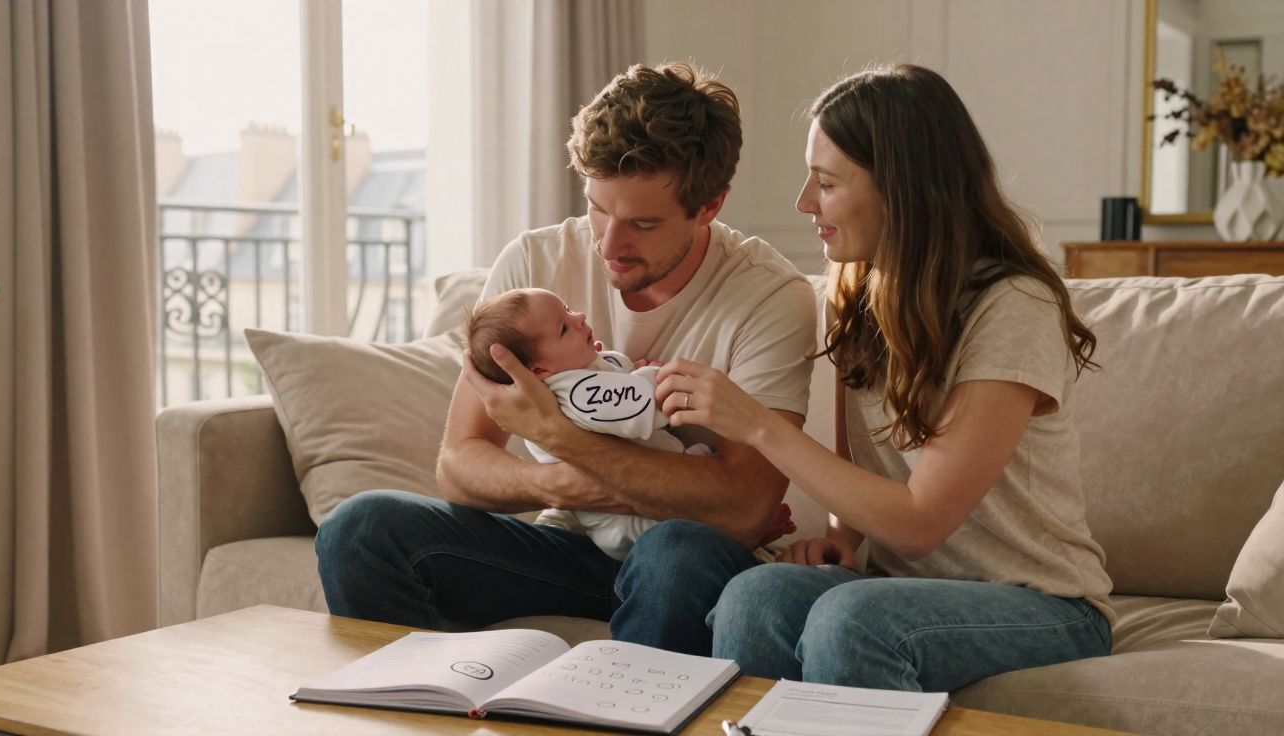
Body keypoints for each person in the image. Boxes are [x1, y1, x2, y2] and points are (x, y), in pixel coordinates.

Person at [315, 61, 817, 655]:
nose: (608, 244)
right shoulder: (532, 267)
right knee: (362, 529)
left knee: (675, 553)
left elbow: (743, 508)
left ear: (709, 206)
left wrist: (558, 434)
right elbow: (460, 466)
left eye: (643, 224)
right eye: (597, 208)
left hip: (686, 559)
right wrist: (569, 484)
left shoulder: (769, 298)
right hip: (565, 547)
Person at [653, 63, 1115, 692]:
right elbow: (865, 465)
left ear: (902, 188)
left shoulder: (1014, 305)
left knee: (852, 620)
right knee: (753, 597)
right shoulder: (857, 289)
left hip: (1045, 605)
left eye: (826, 183)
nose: (804, 203)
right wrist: (843, 539)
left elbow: (921, 522)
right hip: (903, 591)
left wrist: (757, 425)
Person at [464, 286, 712, 561]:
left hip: (628, 502)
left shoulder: (569, 375)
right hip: (633, 525)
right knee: (703, 504)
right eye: (564, 329)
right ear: (540, 371)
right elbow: (647, 403)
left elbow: (612, 374)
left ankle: (562, 521)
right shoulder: (573, 394)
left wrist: (627, 371)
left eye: (568, 309)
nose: (579, 317)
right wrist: (656, 376)